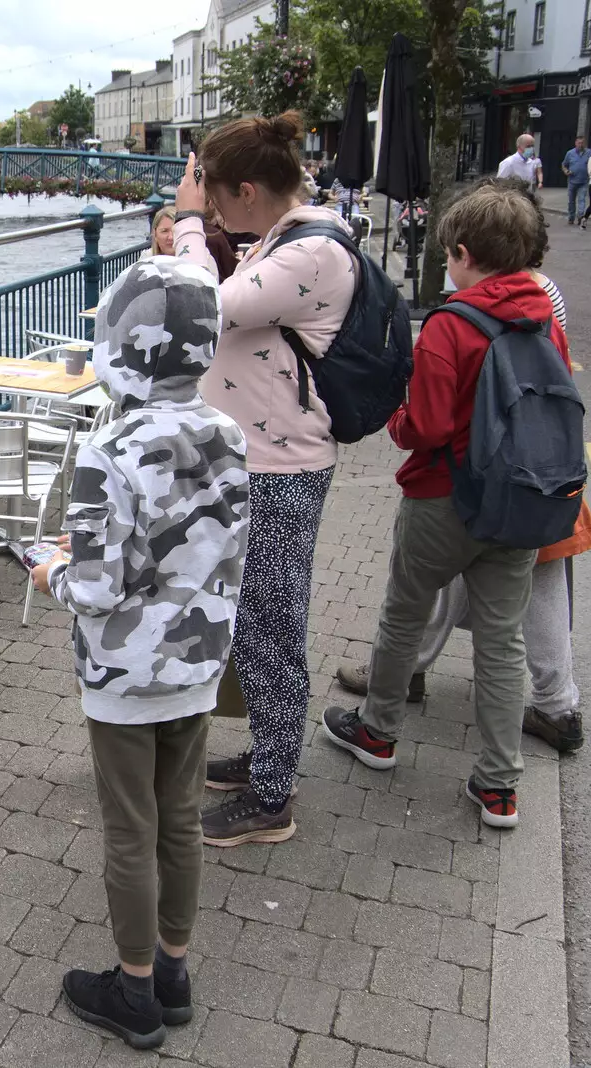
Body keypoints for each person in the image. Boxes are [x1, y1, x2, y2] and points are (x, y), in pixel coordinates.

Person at [31, 251, 249, 1050]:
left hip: (124, 676)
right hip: (196, 664)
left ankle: (132, 992)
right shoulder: (228, 432)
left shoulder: (108, 449)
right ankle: (175, 972)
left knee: (129, 829)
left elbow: (95, 589)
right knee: (181, 819)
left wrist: (52, 564)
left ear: (118, 344)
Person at [322, 184, 566, 829]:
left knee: (405, 615)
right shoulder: (544, 318)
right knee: (501, 640)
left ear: (461, 254)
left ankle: (377, 732)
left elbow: (424, 427)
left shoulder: (449, 326)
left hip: (443, 499)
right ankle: (498, 786)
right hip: (519, 504)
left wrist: (396, 417)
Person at [173, 112, 357, 847]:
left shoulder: (314, 253)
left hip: (280, 470)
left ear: (247, 189)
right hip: (256, 464)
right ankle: (266, 758)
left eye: (218, 198)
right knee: (252, 623)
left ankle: (274, 796)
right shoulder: (286, 242)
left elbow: (196, 305)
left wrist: (189, 225)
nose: (213, 210)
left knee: (272, 627)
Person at [145, 205, 238, 280]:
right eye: (164, 231)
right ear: (155, 234)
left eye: (174, 231)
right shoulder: (146, 259)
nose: (170, 237)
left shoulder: (203, 258)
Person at [561, 135, 590, 226]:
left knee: (582, 199)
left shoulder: (589, 153)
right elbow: (564, 164)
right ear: (575, 143)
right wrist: (566, 171)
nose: (580, 145)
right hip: (572, 181)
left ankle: (580, 215)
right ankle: (571, 217)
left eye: (582, 143)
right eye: (579, 143)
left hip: (584, 181)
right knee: (571, 201)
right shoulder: (570, 153)